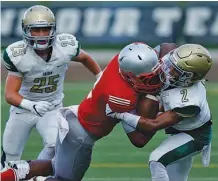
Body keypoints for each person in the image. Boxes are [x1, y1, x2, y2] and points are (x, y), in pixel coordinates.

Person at [1, 41, 168, 181]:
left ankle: (16, 171)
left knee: (55, 165)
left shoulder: (123, 60)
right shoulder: (122, 97)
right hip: (81, 135)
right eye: (149, 77)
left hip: (75, 121)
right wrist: (162, 105)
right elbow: (139, 139)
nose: (155, 78)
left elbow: (166, 47)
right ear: (131, 75)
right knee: (65, 179)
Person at [2, 5, 102, 162]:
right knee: (10, 153)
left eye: (45, 29)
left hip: (52, 107)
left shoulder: (64, 47)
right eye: (35, 30)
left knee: (54, 146)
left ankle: (38, 176)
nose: (41, 35)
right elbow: (9, 94)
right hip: (23, 109)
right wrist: (31, 105)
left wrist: (99, 75)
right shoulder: (18, 55)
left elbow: (85, 58)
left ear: (53, 29)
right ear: (26, 30)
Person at [106, 44, 213, 181]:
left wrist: (119, 114)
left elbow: (153, 125)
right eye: (171, 63)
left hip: (194, 136)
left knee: (157, 160)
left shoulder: (190, 102)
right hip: (179, 128)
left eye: (176, 70)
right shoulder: (172, 56)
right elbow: (165, 47)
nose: (168, 69)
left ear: (189, 77)